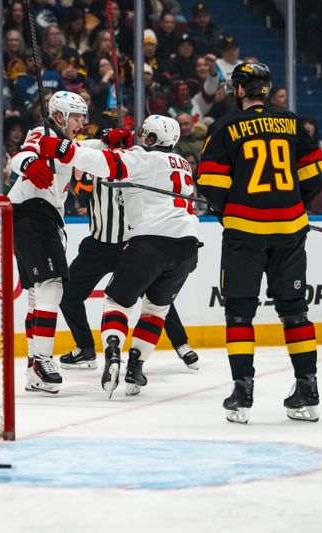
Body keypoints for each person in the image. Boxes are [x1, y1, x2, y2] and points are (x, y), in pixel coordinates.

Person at [32, 115, 200, 398]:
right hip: (187, 246)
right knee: (156, 310)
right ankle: (136, 365)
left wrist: (62, 149)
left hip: (150, 242)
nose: (139, 138)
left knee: (117, 303)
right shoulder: (181, 163)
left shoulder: (144, 159)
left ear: (150, 138)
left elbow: (104, 165)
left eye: (144, 134)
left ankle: (112, 348)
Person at [197, 63, 322, 424]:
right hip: (290, 232)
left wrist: (231, 211)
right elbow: (316, 175)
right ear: (265, 90)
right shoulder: (291, 122)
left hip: (245, 234)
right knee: (295, 312)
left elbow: (211, 184)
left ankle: (243, 390)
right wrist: (287, 203)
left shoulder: (226, 126)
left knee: (239, 312)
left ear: (240, 90)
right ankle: (308, 387)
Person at [8, 90, 100, 394]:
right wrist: (29, 165)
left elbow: (94, 154)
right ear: (59, 115)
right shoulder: (42, 131)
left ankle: (33, 370)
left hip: (34, 217)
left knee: (37, 296)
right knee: (52, 285)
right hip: (31, 213)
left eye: (82, 117)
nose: (80, 122)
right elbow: (19, 156)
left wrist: (115, 141)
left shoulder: (68, 145)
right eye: (75, 117)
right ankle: (43, 360)